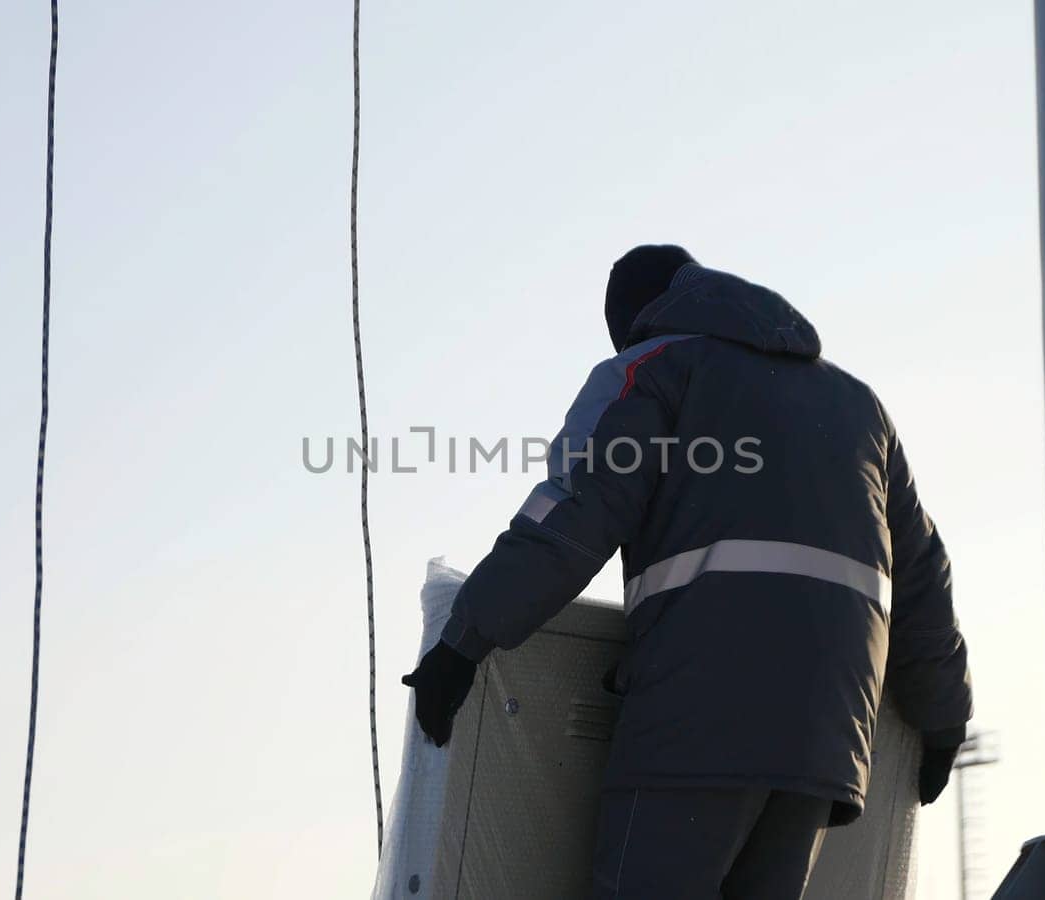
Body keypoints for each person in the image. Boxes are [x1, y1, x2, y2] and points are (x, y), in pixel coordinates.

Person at [402, 245, 973, 899]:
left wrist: (464, 639)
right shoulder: (857, 406)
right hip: (825, 740)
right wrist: (943, 713)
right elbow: (923, 569)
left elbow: (577, 514)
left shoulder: (656, 371)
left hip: (698, 720)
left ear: (639, 323)